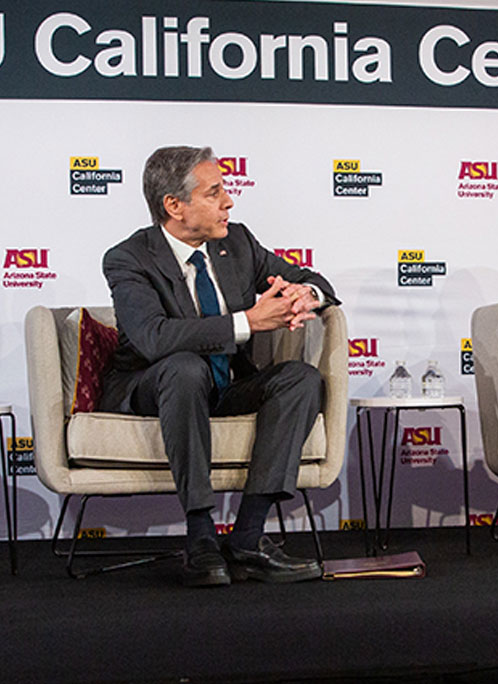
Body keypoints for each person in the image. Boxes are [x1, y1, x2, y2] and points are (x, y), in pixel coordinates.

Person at [100, 145, 338, 587]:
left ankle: (247, 539)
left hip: (225, 384)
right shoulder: (129, 258)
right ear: (174, 205)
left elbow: (314, 280)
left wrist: (305, 294)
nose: (229, 201)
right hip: (155, 386)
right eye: (214, 193)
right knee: (185, 368)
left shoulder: (237, 243)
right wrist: (247, 322)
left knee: (300, 378)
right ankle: (201, 538)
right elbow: (153, 338)